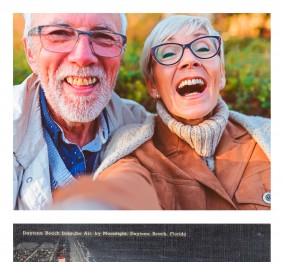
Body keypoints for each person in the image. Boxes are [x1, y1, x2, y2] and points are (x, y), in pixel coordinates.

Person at [55, 14, 270, 210]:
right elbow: (122, 188)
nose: (189, 60)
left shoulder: (268, 135)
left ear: (221, 73)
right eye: (169, 53)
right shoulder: (133, 149)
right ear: (152, 85)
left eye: (204, 49)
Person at [13, 13, 158, 210]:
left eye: (103, 37)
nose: (82, 57)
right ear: (30, 51)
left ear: (121, 53)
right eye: (59, 34)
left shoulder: (143, 128)